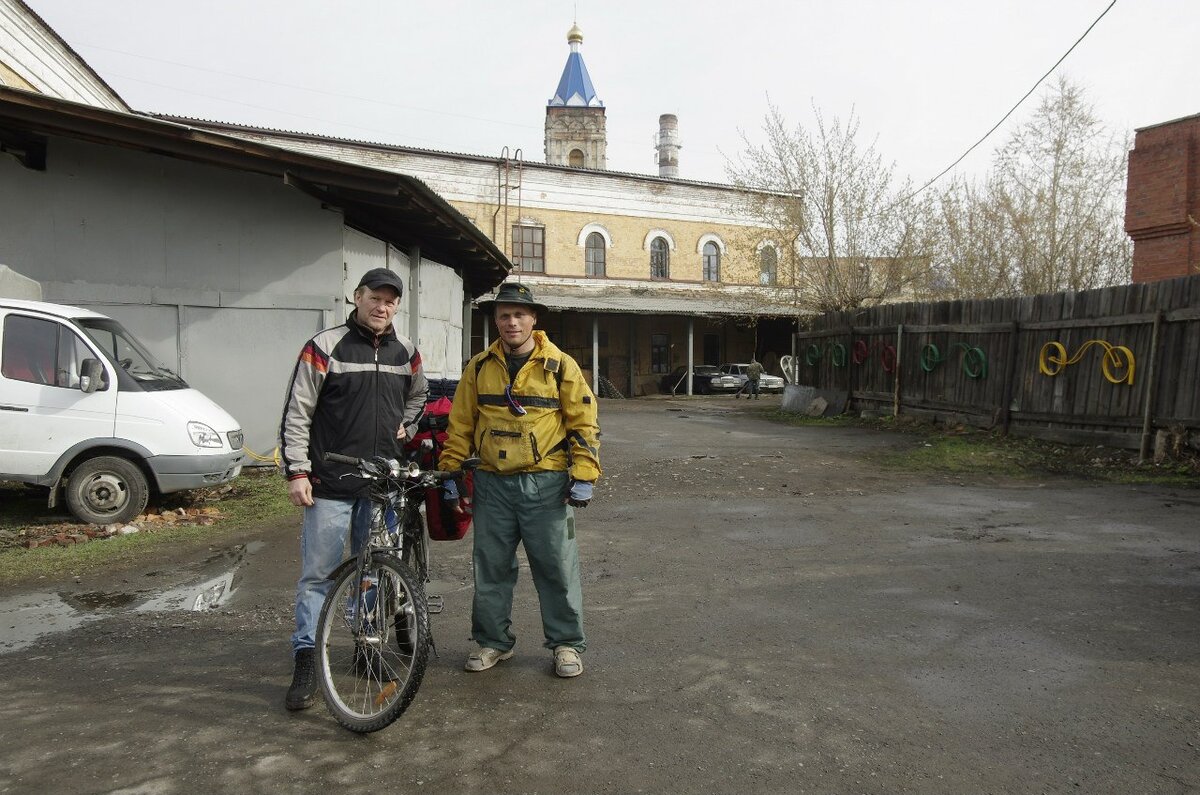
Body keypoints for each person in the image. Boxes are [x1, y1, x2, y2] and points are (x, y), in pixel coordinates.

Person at [277, 267, 429, 710]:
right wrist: (297, 471)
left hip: (382, 485)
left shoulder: (407, 352)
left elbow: (419, 395)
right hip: (330, 482)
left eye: (390, 300)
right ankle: (307, 657)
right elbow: (297, 412)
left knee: (373, 573)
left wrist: (409, 422)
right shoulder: (324, 347)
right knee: (318, 576)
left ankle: (365, 648)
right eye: (374, 298)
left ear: (396, 306)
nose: (382, 307)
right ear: (357, 297)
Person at [439, 281, 601, 678]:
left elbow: (584, 422)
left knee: (556, 568)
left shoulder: (560, 365)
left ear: (533, 319)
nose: (512, 322)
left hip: (546, 486)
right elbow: (459, 424)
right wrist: (450, 470)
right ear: (496, 320)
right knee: (491, 568)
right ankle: (493, 642)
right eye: (504, 315)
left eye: (519, 314)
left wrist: (584, 473)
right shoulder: (478, 367)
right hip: (492, 485)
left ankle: (565, 644)